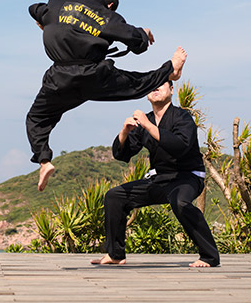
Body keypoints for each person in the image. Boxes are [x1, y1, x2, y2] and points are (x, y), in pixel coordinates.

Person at [26, 0, 187, 191]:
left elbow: (33, 8)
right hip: (93, 76)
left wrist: (44, 24)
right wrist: (144, 34)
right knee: (137, 84)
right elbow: (137, 44)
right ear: (110, 5)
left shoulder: (58, 4)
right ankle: (170, 70)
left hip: (59, 79)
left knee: (36, 119)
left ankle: (44, 161)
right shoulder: (108, 17)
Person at [90, 80, 220, 267]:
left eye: (161, 84)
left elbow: (180, 146)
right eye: (152, 85)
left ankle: (209, 256)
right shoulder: (145, 120)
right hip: (160, 179)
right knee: (115, 196)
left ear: (172, 89)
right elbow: (122, 153)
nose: (155, 87)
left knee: (181, 203)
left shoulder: (182, 117)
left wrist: (148, 126)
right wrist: (124, 133)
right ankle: (115, 254)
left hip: (187, 176)